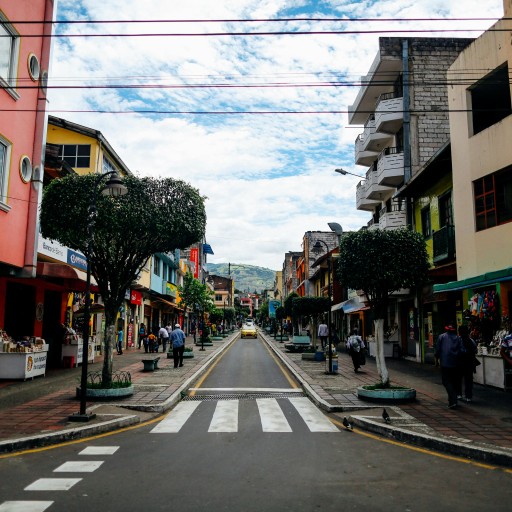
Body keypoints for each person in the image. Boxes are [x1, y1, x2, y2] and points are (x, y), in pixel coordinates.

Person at [435, 323, 465, 409]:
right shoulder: (458, 338)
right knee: (454, 381)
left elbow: (437, 350)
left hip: (445, 363)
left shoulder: (441, 337)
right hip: (455, 363)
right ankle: (452, 400)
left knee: (446, 381)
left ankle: (453, 401)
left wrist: (437, 359)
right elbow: (462, 350)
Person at [457, 325, 477, 403]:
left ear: (459, 332)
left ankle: (459, 394)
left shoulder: (457, 340)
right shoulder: (471, 340)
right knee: (469, 380)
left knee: (458, 379)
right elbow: (475, 350)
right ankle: (468, 396)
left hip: (459, 363)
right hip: (469, 363)